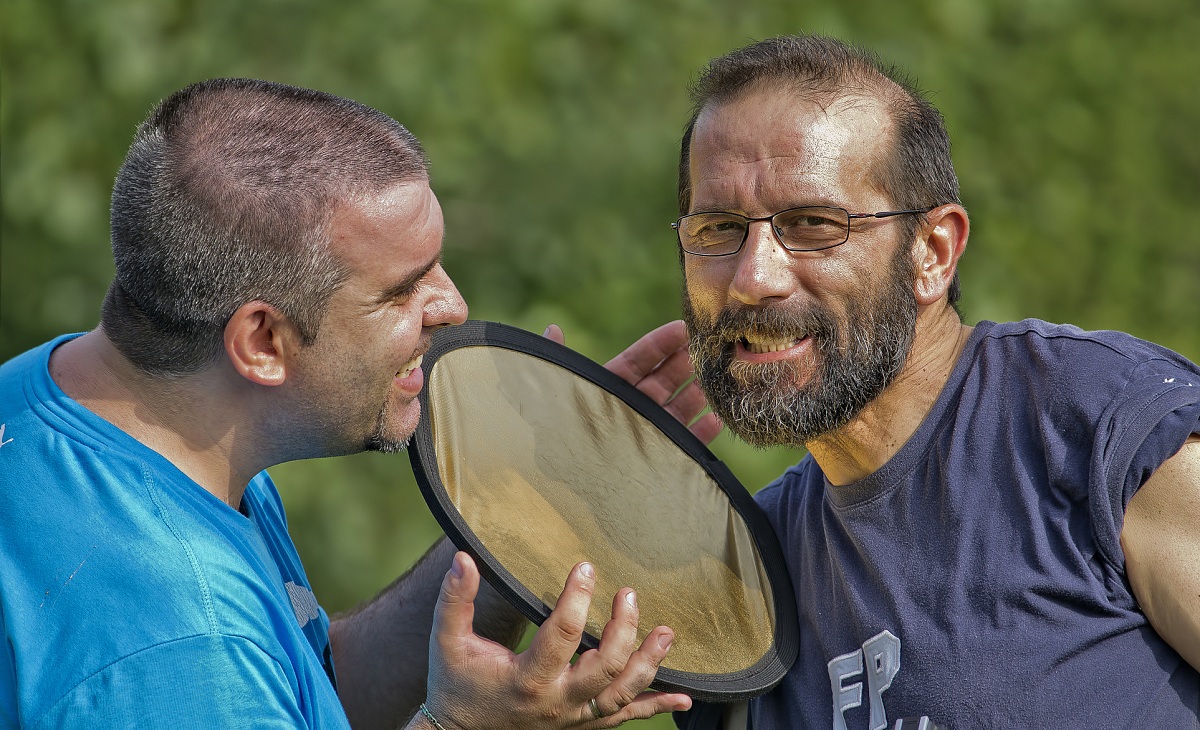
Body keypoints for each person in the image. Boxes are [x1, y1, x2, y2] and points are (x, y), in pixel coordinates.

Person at [0, 78, 715, 729]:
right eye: (400, 291)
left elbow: (304, 686)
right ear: (263, 341)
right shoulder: (182, 650)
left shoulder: (86, 401)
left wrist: (515, 533)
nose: (453, 305)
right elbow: (223, 678)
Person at [670, 35, 1200, 729]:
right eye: (719, 229)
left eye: (812, 224)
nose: (754, 277)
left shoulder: (1104, 431)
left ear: (933, 252)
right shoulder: (746, 581)